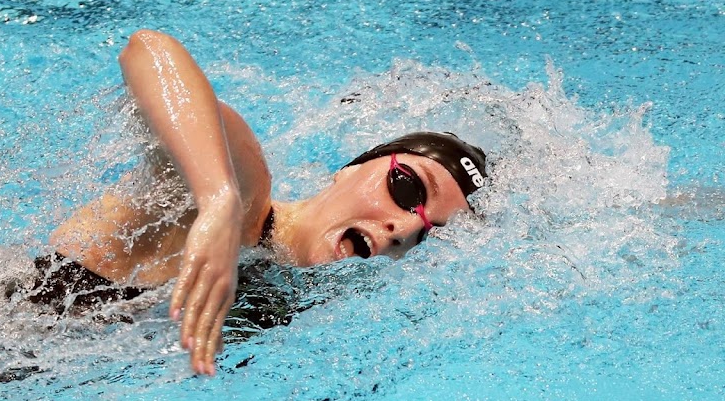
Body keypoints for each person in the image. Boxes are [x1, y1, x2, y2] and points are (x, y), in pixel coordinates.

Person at [43, 30, 488, 377]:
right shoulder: (245, 194)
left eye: (431, 233)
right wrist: (217, 201)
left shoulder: (307, 304)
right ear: (350, 168)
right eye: (408, 188)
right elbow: (148, 51)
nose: (405, 229)